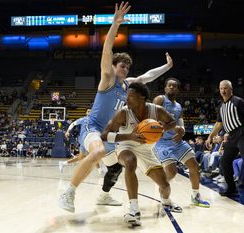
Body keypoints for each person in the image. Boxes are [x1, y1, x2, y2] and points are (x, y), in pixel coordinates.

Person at [59, 2, 174, 213]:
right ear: (113, 66)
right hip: (93, 129)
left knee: (117, 166)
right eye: (122, 65)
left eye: (128, 66)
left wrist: (167, 67)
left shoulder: (129, 84)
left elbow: (145, 77)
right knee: (99, 151)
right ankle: (69, 191)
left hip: (111, 133)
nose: (125, 68)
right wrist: (115, 24)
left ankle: (103, 196)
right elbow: (107, 48)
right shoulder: (108, 78)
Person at [101, 82, 179, 226]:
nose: (127, 99)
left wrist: (163, 128)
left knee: (165, 186)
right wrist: (129, 136)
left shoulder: (157, 110)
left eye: (130, 96)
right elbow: (105, 135)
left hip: (147, 151)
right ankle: (133, 209)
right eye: (126, 96)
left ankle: (167, 202)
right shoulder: (123, 112)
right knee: (130, 161)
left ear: (142, 97)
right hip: (126, 146)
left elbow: (173, 122)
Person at [153, 78, 210, 207]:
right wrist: (175, 128)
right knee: (172, 172)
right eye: (169, 86)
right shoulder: (160, 100)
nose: (172, 88)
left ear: (178, 89)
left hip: (177, 141)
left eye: (174, 86)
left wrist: (182, 131)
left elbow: (181, 124)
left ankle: (196, 197)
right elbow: (153, 121)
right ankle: (163, 187)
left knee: (195, 167)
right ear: (165, 88)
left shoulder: (178, 106)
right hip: (161, 142)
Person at [205, 80, 244, 199]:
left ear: (231, 89)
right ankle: (232, 188)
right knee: (224, 161)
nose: (223, 90)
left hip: (242, 133)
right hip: (231, 136)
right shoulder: (221, 106)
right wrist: (210, 137)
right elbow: (218, 124)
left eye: (225, 88)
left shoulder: (238, 101)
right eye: (221, 88)